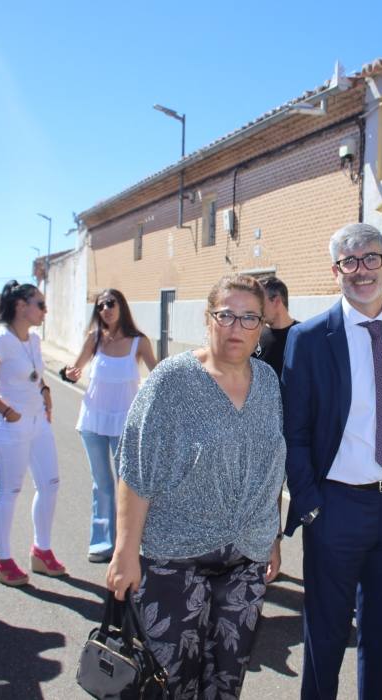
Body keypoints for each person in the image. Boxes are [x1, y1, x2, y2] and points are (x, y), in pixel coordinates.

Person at [106, 274, 285, 699]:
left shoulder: (268, 383)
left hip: (246, 556)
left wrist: (272, 537)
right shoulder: (171, 380)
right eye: (226, 315)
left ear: (261, 325)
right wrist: (125, 552)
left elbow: (271, 465)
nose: (236, 327)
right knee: (172, 681)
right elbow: (136, 469)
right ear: (208, 319)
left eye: (248, 318)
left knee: (227, 677)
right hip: (175, 557)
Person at [282, 222, 382, 700]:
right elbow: (295, 431)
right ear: (335, 271)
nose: (361, 270)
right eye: (350, 261)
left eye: (371, 258)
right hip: (336, 509)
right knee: (325, 638)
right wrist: (310, 504)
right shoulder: (308, 339)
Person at [0, 280, 65, 586]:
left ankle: (42, 551)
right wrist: (6, 410)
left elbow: (37, 374)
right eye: (40, 304)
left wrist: (47, 389)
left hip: (39, 423)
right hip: (10, 426)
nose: (45, 310)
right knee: (9, 491)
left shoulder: (33, 340)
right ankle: (3, 558)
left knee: (50, 484)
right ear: (21, 306)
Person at [64, 289, 157, 563]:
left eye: (111, 303)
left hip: (124, 424)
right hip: (93, 420)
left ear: (121, 307)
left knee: (126, 485)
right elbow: (74, 368)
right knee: (101, 484)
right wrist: (69, 373)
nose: (106, 308)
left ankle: (129, 544)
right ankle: (103, 542)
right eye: (101, 305)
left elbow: (157, 372)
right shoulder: (94, 339)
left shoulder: (139, 342)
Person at [256, 276, 298, 378]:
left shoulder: (303, 336)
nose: (256, 309)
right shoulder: (255, 335)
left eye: (260, 303)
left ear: (276, 301)